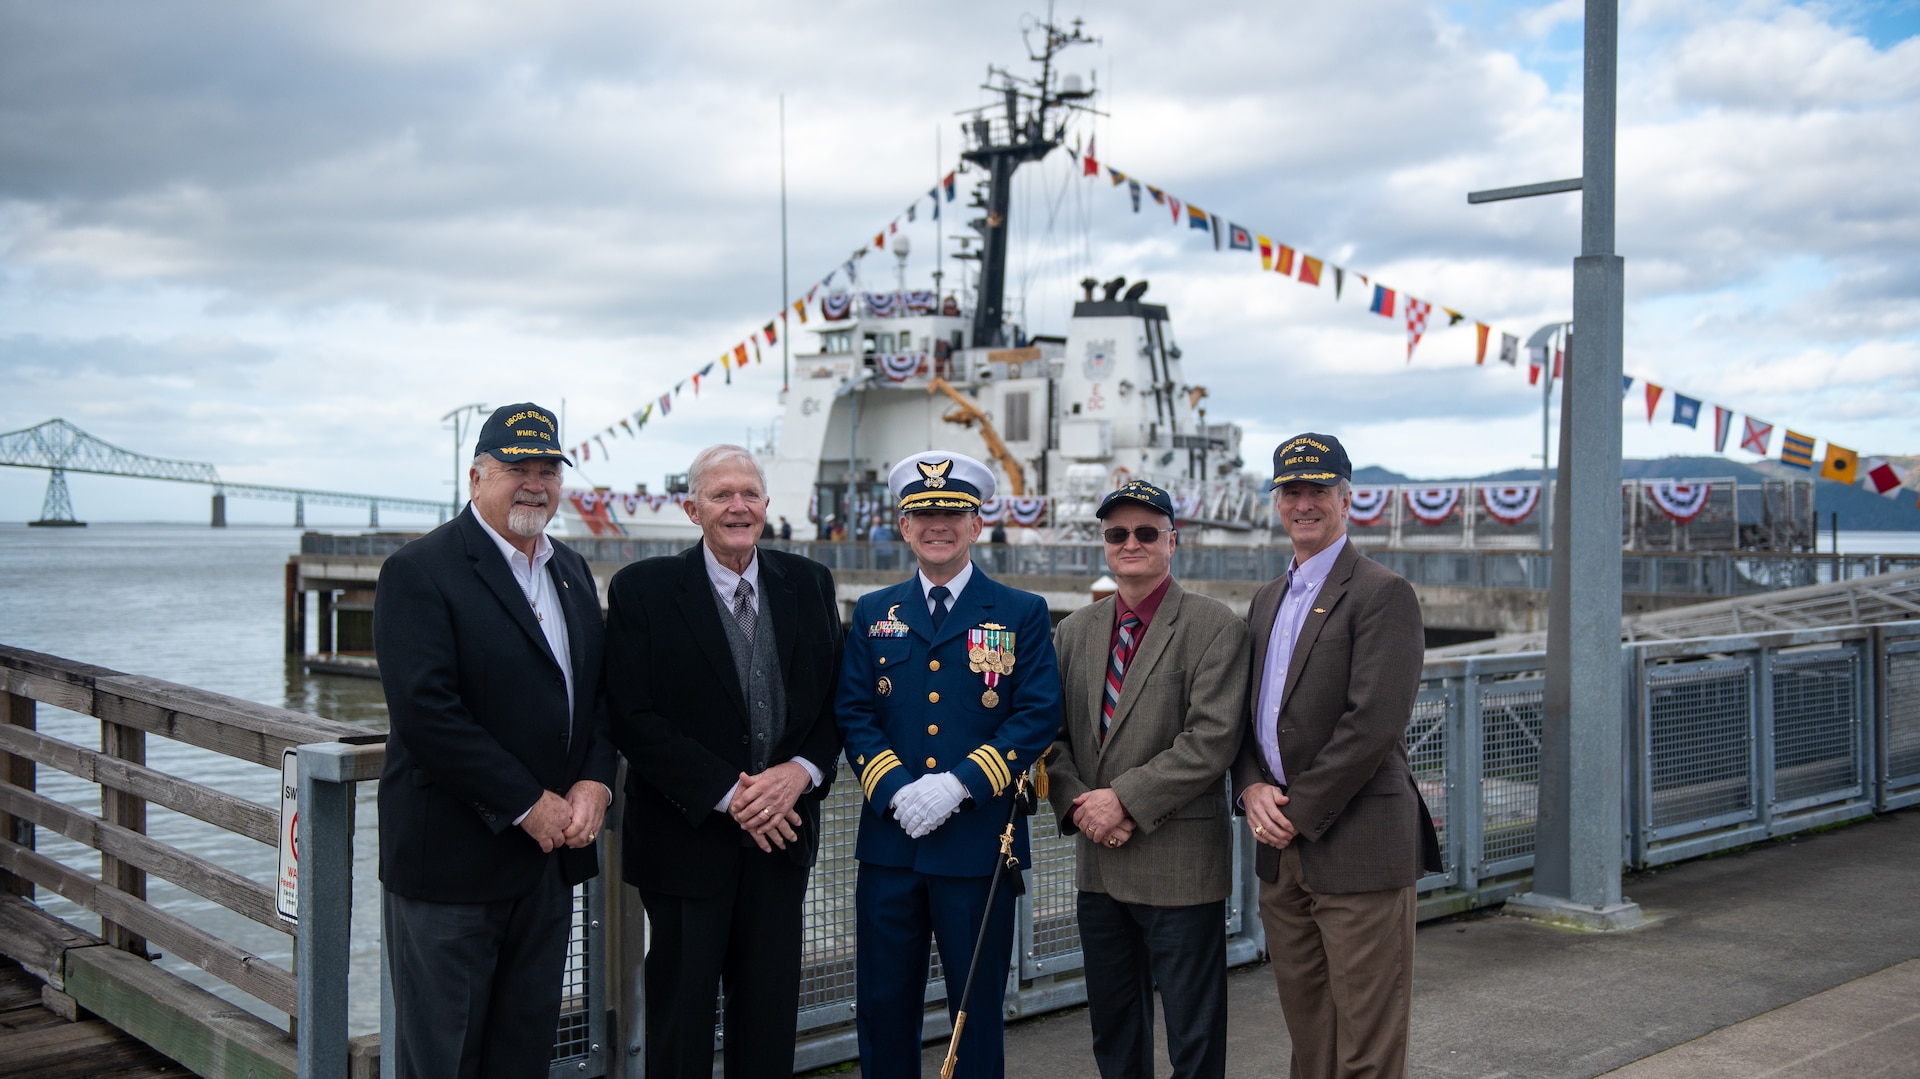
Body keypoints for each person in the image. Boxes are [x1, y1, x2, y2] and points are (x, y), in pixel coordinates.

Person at [374, 402, 616, 1079]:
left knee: (523, 1049)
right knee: (444, 1058)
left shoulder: (569, 568)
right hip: (452, 866)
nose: (535, 482)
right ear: (476, 476)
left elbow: (598, 693)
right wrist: (525, 802)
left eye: (548, 468)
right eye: (517, 467)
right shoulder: (420, 571)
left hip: (545, 866)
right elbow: (427, 714)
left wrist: (596, 780)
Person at [603, 444, 844, 1079]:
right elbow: (632, 716)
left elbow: (833, 704)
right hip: (685, 843)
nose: (738, 506)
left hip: (782, 838)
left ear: (766, 505)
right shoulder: (643, 590)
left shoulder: (810, 583)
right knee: (680, 1018)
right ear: (692, 509)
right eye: (720, 495)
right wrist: (731, 796)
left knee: (768, 1017)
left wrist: (800, 775)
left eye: (749, 494)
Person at [836, 451, 1062, 1079]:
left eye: (953, 513)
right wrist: (894, 789)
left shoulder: (1020, 612)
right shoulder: (874, 612)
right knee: (883, 1009)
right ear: (904, 528)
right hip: (889, 848)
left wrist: (959, 786)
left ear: (976, 524)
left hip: (975, 848)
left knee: (975, 1012)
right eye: (923, 514)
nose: (939, 525)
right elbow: (854, 713)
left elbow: (1038, 715)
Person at [1232, 433, 1442, 1079]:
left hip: (1356, 842)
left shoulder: (1383, 592)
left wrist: (1297, 808)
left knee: (1367, 1031)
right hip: (1282, 844)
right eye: (1291, 491)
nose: (1303, 503)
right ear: (1276, 502)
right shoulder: (1268, 598)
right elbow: (1248, 714)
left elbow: (1373, 723)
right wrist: (1250, 788)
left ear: (1347, 500)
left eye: (1318, 489)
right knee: (1308, 1021)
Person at [1046, 480, 1248, 1079]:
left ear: (1172, 541)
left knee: (1194, 1031)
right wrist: (1081, 805)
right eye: (1117, 534)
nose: (1130, 543)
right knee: (1114, 1028)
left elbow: (1211, 740)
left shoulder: (1215, 626)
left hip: (1180, 863)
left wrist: (1122, 802)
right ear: (1104, 545)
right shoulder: (1075, 631)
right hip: (1099, 867)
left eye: (1145, 533)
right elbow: (1051, 738)